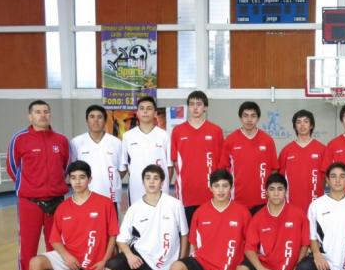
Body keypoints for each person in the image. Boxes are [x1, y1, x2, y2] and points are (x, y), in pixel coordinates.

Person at [28, 161, 118, 270]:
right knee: (35, 263)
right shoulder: (63, 208)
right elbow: (54, 239)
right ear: (69, 180)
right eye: (73, 178)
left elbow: (113, 235)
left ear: (89, 179)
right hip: (70, 260)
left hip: (93, 265)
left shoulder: (104, 203)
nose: (77, 182)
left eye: (82, 177)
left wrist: (104, 261)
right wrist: (66, 256)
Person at [166, 168, 252, 270]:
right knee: (176, 269)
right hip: (204, 264)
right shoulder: (200, 212)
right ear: (210, 187)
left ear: (231, 187)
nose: (220, 190)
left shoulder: (242, 212)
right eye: (217, 186)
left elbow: (249, 245)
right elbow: (194, 244)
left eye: (225, 186)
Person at [106, 165, 189, 270]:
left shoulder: (174, 205)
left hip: (164, 266)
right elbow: (121, 239)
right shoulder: (134, 209)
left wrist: (181, 263)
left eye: (156, 178)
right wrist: (129, 255)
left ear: (162, 182)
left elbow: (184, 235)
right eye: (148, 178)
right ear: (143, 182)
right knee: (112, 267)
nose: (151, 182)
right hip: (140, 257)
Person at [7, 100, 70, 270]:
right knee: (28, 248)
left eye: (45, 112)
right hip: (29, 203)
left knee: (56, 247)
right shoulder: (19, 140)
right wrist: (31, 188)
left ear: (50, 115)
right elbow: (13, 168)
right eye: (37, 112)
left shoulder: (61, 141)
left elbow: (65, 167)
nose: (42, 115)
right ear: (30, 116)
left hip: (56, 203)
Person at [235, 173, 309, 270]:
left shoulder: (298, 214)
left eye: (280, 189)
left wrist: (296, 268)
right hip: (265, 266)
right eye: (272, 189)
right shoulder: (259, 216)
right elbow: (249, 248)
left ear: (286, 192)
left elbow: (304, 244)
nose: (276, 193)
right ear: (266, 192)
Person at [171, 90, 224, 226]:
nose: (195, 107)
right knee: (186, 231)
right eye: (192, 104)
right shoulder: (178, 131)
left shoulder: (215, 130)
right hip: (186, 192)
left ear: (205, 107)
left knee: (209, 230)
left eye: (199, 104)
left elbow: (221, 162)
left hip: (209, 191)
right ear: (188, 106)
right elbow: (175, 161)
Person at [219, 101, 279, 215]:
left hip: (263, 200)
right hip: (236, 199)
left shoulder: (267, 141)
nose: (249, 119)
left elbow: (274, 170)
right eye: (245, 115)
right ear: (240, 118)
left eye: (253, 116)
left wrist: (270, 194)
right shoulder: (230, 141)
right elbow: (223, 170)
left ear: (258, 118)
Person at [120, 96, 172, 205]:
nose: (145, 111)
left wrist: (164, 184)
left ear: (154, 113)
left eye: (149, 108)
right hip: (136, 187)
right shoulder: (128, 136)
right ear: (137, 113)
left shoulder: (164, 135)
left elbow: (169, 166)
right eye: (142, 108)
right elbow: (124, 165)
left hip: (159, 187)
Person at [70, 104, 123, 210]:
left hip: (110, 196)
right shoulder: (76, 142)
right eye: (92, 117)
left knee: (110, 226)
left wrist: (110, 180)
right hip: (84, 196)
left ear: (105, 121)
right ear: (86, 120)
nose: (96, 120)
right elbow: (73, 169)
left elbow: (122, 169)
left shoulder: (116, 142)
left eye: (100, 117)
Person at [278, 109, 326, 213]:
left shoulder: (322, 149)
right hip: (291, 206)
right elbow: (280, 180)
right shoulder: (286, 151)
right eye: (298, 122)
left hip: (316, 206)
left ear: (311, 125)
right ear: (294, 126)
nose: (302, 125)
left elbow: (326, 179)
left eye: (306, 121)